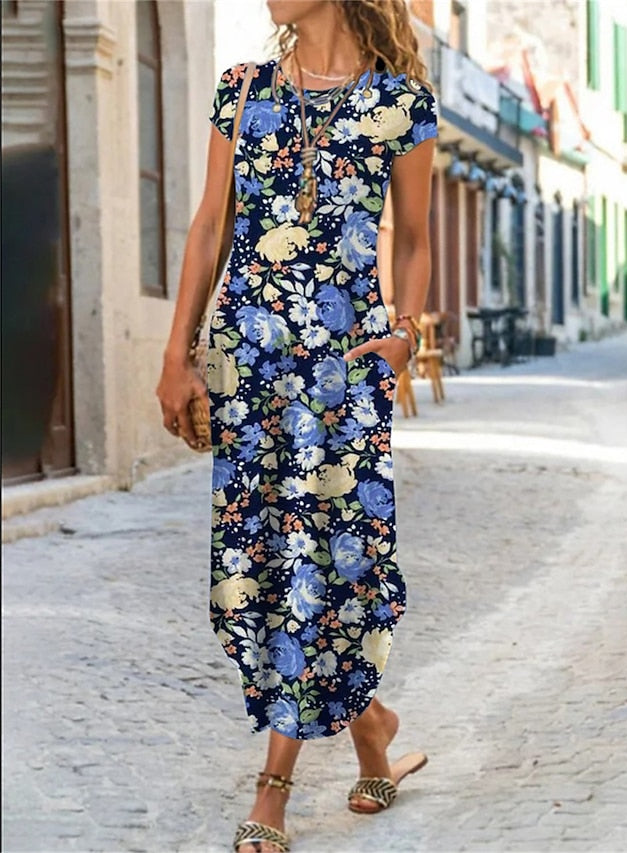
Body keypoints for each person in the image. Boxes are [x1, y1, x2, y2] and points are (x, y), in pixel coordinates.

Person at [156, 1, 437, 850]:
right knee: (264, 561)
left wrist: (404, 333)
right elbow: (210, 227)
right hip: (251, 371)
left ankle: (272, 788)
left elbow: (416, 238)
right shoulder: (243, 91)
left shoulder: (400, 104)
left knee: (327, 556)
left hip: (344, 375)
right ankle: (372, 728)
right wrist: (177, 354)